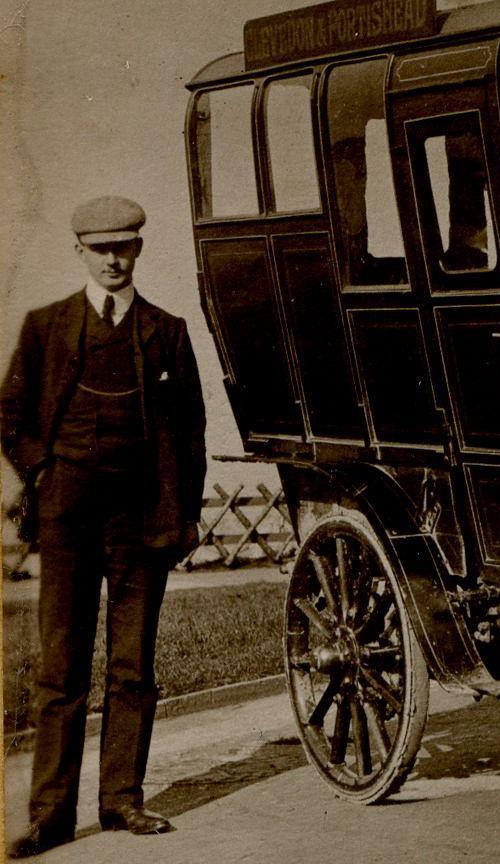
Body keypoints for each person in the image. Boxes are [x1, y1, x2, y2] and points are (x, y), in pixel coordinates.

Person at [1, 196, 207, 857]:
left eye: (125, 246)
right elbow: (10, 418)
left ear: (139, 249)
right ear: (81, 252)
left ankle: (122, 802)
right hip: (67, 523)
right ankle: (50, 817)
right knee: (61, 671)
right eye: (101, 248)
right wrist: (43, 478)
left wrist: (185, 516)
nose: (114, 259)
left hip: (141, 525)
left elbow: (192, 434)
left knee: (132, 667)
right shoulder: (46, 326)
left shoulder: (167, 331)